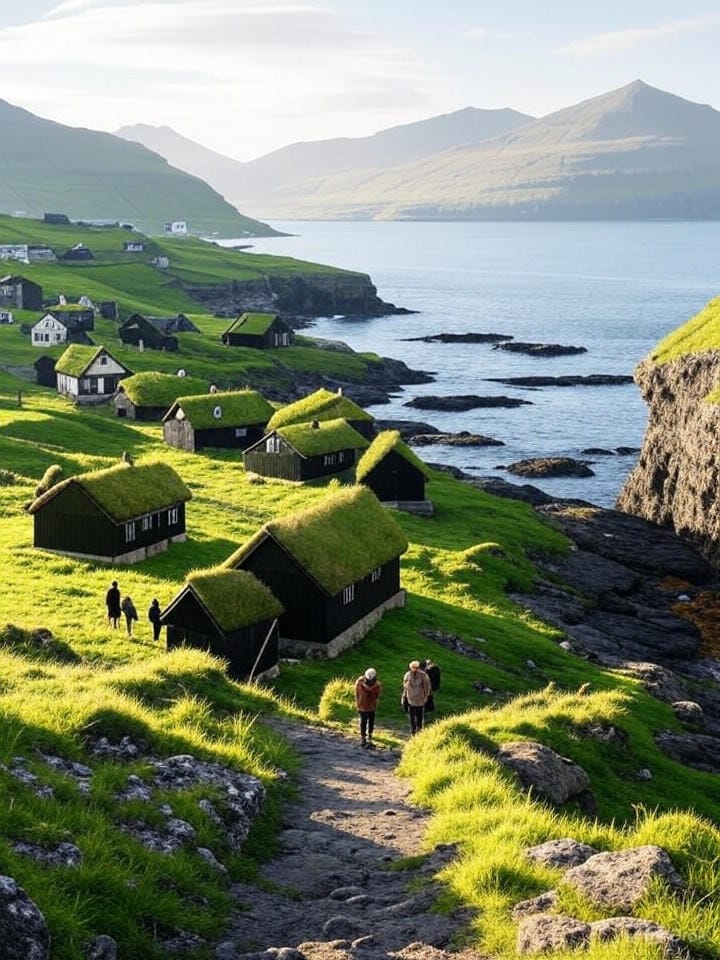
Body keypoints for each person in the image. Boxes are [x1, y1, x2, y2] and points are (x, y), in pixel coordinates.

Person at [402, 660, 431, 735]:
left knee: (419, 716)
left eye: (416, 667)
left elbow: (427, 686)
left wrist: (426, 696)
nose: (414, 669)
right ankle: (413, 730)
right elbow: (405, 686)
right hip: (411, 698)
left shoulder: (423, 675)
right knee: (412, 716)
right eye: (413, 667)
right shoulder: (408, 675)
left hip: (420, 699)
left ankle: (419, 730)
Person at [355, 667, 382, 748]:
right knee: (363, 722)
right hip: (363, 705)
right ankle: (363, 736)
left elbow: (377, 695)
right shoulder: (360, 682)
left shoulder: (376, 685)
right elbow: (357, 693)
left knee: (370, 721)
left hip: (370, 706)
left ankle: (369, 735)